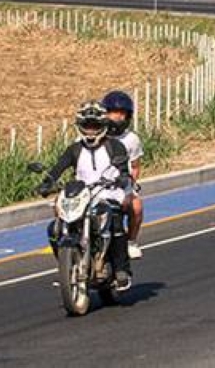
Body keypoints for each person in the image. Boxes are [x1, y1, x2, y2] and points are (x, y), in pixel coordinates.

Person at [37, 101, 133, 289]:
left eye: (95, 126)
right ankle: (67, 266)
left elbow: (124, 170)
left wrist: (122, 179)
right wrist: (47, 182)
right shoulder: (74, 149)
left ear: (103, 126)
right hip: (81, 195)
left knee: (114, 220)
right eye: (86, 126)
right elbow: (58, 168)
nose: (90, 131)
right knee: (54, 229)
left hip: (107, 192)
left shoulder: (115, 147)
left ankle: (122, 269)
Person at [101, 90, 145, 260]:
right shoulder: (95, 134)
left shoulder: (132, 139)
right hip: (97, 185)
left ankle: (131, 242)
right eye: (113, 112)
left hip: (121, 184)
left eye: (121, 113)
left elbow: (135, 166)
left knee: (137, 207)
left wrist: (130, 184)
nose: (117, 117)